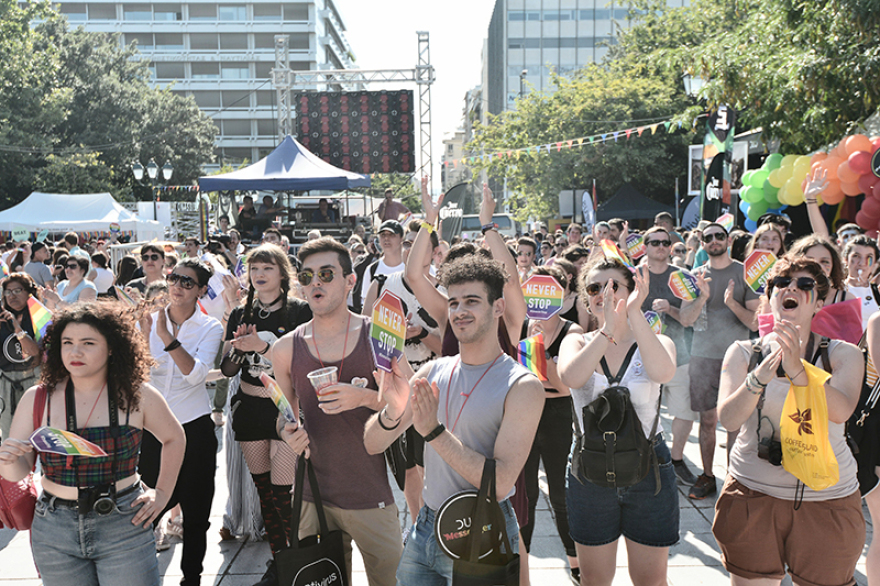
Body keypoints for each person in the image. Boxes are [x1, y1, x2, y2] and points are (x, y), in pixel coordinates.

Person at [363, 253, 544, 585]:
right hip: (426, 528)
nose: (460, 311)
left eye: (472, 301)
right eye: (454, 302)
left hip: (482, 530)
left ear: (498, 307)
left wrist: (433, 432)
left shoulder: (522, 385)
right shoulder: (434, 370)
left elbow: (501, 482)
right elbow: (373, 443)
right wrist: (391, 409)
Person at [0, 302, 186, 586]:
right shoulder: (37, 398)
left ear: (111, 347)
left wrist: (162, 494)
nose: (75, 352)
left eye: (88, 343)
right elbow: (19, 472)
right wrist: (8, 458)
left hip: (124, 519)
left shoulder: (138, 394)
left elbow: (174, 438)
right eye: (68, 343)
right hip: (54, 526)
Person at [714, 256, 865, 586]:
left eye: (804, 285)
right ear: (769, 298)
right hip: (752, 493)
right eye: (780, 284)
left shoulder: (843, 355)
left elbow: (840, 411)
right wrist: (759, 377)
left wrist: (798, 369)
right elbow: (728, 419)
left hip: (826, 499)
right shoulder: (743, 351)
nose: (790, 289)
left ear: (819, 303)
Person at [274, 237, 403, 585]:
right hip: (312, 493)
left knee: (391, 580)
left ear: (350, 280)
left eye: (326, 273)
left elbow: (403, 406)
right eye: (307, 275)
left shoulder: (378, 336)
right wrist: (286, 432)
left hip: (369, 492)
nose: (315, 282)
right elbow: (284, 415)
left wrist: (362, 398)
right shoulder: (285, 348)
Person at [558, 259, 678, 586]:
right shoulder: (577, 342)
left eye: (614, 287)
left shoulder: (655, 342)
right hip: (590, 470)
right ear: (586, 297)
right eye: (595, 288)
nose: (605, 295)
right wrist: (607, 330)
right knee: (595, 580)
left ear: (632, 291)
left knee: (650, 580)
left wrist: (634, 313)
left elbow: (664, 372)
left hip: (648, 468)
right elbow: (571, 376)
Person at [219, 244, 312, 586]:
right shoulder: (240, 313)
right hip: (249, 408)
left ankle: (292, 561)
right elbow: (227, 368)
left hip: (285, 409)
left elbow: (302, 362)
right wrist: (239, 349)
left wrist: (263, 346)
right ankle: (280, 564)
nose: (259, 274)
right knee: (264, 496)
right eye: (254, 268)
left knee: (282, 495)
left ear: (282, 273)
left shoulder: (299, 311)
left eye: (267, 268)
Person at [137, 258, 224, 586]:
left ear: (201, 290)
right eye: (174, 278)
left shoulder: (209, 327)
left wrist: (167, 338)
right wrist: (146, 336)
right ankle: (139, 574)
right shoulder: (149, 321)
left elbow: (196, 376)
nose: (178, 286)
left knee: (197, 513)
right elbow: (138, 374)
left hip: (194, 427)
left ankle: (192, 579)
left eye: (188, 282)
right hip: (153, 429)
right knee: (146, 508)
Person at [679, 223, 759, 500]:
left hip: (737, 357)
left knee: (736, 422)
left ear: (728, 240)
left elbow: (755, 321)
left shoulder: (743, 272)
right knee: (708, 420)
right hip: (702, 357)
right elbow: (686, 320)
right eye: (708, 237)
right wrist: (702, 297)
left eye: (719, 236)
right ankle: (708, 475)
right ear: (701, 243)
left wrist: (731, 303)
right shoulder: (694, 276)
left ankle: (734, 477)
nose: (714, 241)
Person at [518, 265, 584, 582]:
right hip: (526, 416)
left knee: (561, 495)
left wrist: (539, 350)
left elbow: (564, 387)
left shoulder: (572, 332)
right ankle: (521, 566)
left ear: (560, 294)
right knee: (525, 495)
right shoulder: (521, 326)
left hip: (558, 418)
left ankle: (575, 563)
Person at [641, 227, 700, 485]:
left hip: (679, 355)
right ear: (645, 246)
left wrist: (671, 309)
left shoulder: (683, 277)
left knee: (685, 412)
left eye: (666, 242)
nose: (661, 246)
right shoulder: (634, 276)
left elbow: (688, 320)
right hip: (641, 356)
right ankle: (644, 462)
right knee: (640, 411)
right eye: (655, 242)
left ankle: (675, 461)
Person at [0, 273, 43, 440]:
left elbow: (34, 352)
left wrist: (17, 328)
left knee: (36, 432)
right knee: (9, 434)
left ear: (29, 293)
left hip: (33, 379)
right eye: (8, 291)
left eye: (17, 290)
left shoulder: (39, 317)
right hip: (7, 382)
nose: (12, 296)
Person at [785, 235, 852, 304]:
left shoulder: (846, 299)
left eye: (824, 262)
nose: (819, 266)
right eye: (810, 261)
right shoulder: (785, 294)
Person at [357, 219, 405, 314]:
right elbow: (366, 309)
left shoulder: (411, 268)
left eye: (392, 235)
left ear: (401, 238)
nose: (386, 239)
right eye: (383, 235)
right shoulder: (371, 270)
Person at [843, 234, 880, 331]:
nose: (862, 263)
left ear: (875, 263)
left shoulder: (877, 291)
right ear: (846, 260)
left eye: (869, 257)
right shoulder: (836, 289)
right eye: (856, 256)